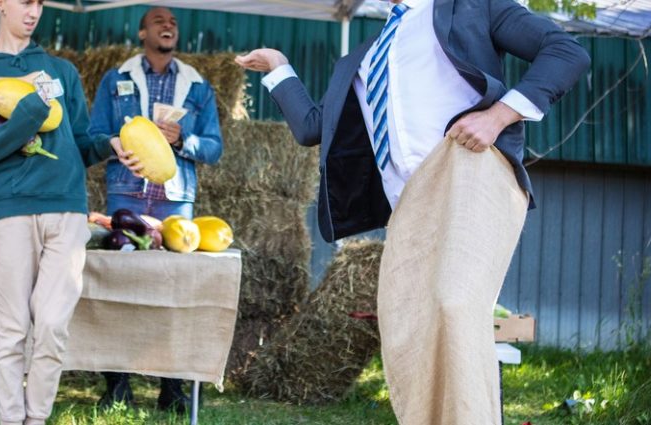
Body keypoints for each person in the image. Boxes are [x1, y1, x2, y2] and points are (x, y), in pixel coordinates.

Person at [236, 0, 590, 423]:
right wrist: (279, 66)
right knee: (409, 330)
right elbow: (313, 126)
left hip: (468, 166)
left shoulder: (472, 6)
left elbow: (566, 52)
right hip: (408, 203)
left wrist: (498, 116)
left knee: (455, 304)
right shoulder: (363, 57)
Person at [0, 1, 131, 424]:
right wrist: (30, 110)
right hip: (11, 210)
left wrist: (110, 145)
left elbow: (80, 142)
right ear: (0, 3)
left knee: (52, 326)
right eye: (24, 1)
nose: (33, 11)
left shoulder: (62, 71)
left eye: (39, 3)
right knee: (12, 329)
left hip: (67, 210)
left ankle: (37, 418)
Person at [88, 6, 223, 413]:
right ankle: (117, 386)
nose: (168, 25)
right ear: (142, 32)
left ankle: (173, 389)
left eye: (174, 22)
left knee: (174, 294)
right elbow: (94, 135)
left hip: (175, 200)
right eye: (159, 21)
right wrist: (117, 143)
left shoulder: (197, 86)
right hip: (126, 194)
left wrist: (184, 140)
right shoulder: (116, 78)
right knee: (118, 290)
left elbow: (214, 148)